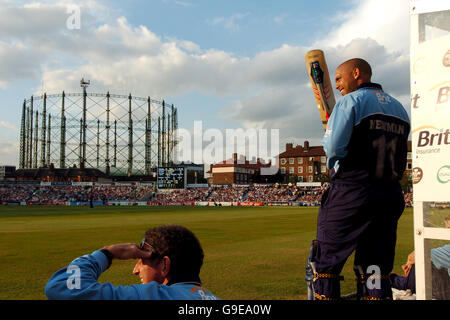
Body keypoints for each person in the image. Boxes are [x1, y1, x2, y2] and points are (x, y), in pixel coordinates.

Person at [308, 58, 410, 300]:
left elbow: (333, 148)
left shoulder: (350, 102)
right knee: (375, 267)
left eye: (340, 79)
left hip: (353, 191)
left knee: (326, 264)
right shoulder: (400, 108)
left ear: (356, 73)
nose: (338, 86)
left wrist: (334, 167)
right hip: (389, 195)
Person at [45, 224, 218, 300]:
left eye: (142, 261)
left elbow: (61, 287)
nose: (135, 270)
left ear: (164, 265)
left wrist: (107, 253)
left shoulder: (154, 296)